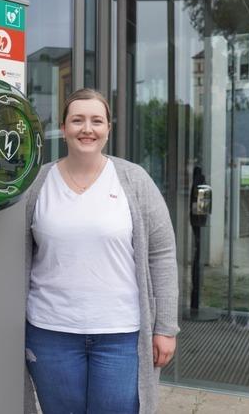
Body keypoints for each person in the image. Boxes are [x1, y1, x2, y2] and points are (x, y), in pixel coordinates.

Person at [23, 88, 179, 414]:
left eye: (96, 121)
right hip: (51, 333)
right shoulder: (37, 183)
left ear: (108, 128)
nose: (87, 129)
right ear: (63, 128)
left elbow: (162, 254)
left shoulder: (134, 181)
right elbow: (15, 255)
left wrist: (165, 327)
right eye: (77, 120)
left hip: (120, 336)